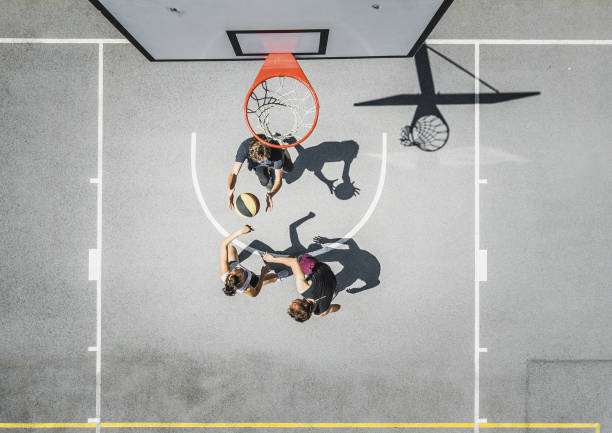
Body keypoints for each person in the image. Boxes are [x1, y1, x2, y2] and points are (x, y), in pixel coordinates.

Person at [262, 252, 341, 322]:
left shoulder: (320, 311)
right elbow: (293, 262)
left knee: (320, 312)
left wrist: (327, 309)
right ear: (305, 305)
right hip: (319, 266)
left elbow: (337, 307)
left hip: (331, 277)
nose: (292, 301)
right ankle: (302, 259)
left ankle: (332, 292)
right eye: (295, 302)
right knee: (300, 259)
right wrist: (273, 259)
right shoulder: (304, 289)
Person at [227, 135, 294, 212]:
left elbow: (278, 180)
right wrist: (230, 189)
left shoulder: (276, 151)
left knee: (290, 168)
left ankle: (283, 148)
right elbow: (234, 173)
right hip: (258, 166)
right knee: (265, 182)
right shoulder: (244, 147)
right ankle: (270, 174)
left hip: (274, 157)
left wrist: (272, 194)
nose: (260, 161)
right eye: (258, 159)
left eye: (262, 159)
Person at [220, 225, 286, 297]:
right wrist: (263, 275)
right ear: (241, 281)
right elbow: (255, 293)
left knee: (232, 248)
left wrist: (240, 231)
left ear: (230, 273)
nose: (240, 268)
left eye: (236, 269)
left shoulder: (225, 271)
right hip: (251, 279)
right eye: (241, 273)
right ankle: (279, 277)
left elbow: (224, 243)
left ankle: (237, 261)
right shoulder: (246, 288)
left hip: (233, 263)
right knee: (273, 277)